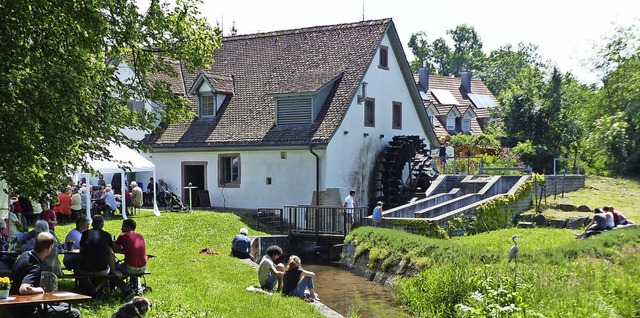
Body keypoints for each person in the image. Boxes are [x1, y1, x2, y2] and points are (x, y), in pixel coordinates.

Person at [9, 232, 81, 318]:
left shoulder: (25, 255)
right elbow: (24, 289)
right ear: (48, 248)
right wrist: (39, 289)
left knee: (64, 305)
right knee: (74, 313)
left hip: (15, 305)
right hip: (26, 310)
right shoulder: (34, 266)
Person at [78, 215, 125, 299]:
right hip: (102, 270)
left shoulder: (85, 234)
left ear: (92, 224)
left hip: (85, 269)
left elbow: (81, 249)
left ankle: (89, 287)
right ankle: (96, 288)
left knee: (77, 270)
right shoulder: (107, 235)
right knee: (111, 272)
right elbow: (111, 252)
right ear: (102, 225)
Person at [113, 219, 146, 296]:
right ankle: (138, 290)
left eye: (123, 226)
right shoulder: (140, 236)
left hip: (130, 267)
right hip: (143, 267)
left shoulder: (123, 235)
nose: (121, 229)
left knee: (111, 272)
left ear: (128, 227)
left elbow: (115, 248)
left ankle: (127, 290)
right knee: (134, 271)